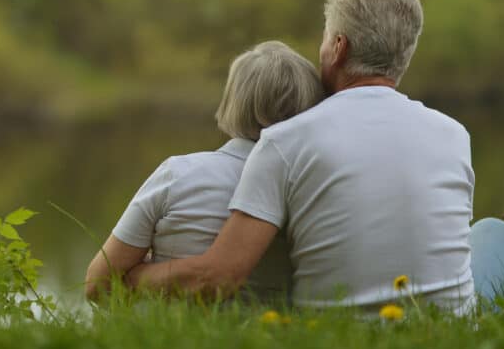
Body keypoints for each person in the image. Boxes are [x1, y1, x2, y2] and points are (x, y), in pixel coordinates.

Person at [125, 0, 504, 312]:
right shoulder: (454, 134)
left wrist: (132, 276)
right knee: (496, 234)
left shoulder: (285, 141)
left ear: (339, 47)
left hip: (332, 331)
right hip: (444, 333)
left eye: (323, 39)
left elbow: (220, 276)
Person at [84, 41, 325, 301]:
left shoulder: (177, 174)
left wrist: (143, 272)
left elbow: (97, 286)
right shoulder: (314, 189)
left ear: (233, 101)